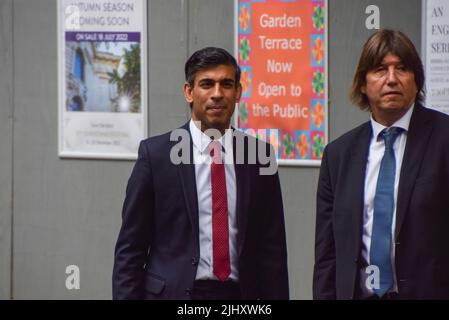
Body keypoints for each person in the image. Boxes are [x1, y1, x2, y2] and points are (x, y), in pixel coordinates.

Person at [113, 47, 289, 300]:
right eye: (207, 84)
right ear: (189, 92)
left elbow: (272, 250)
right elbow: (130, 250)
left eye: (226, 84)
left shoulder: (260, 156)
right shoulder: (156, 155)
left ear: (238, 92)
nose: (217, 94)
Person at [313, 29, 449, 300]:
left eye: (402, 68)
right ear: (363, 83)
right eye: (379, 70)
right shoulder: (338, 155)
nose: (391, 79)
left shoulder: (443, 139)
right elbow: (327, 254)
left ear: (416, 81)